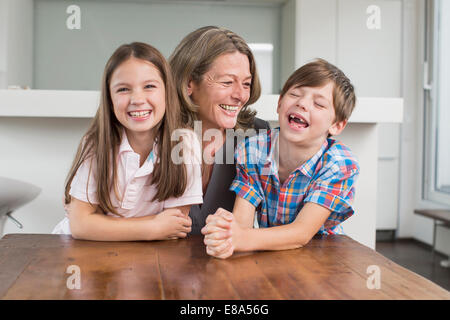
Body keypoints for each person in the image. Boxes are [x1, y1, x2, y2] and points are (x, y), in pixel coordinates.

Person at [202, 59, 360, 258]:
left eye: (318, 103)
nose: (301, 103)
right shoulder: (253, 149)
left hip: (321, 257)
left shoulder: (339, 165)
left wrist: (240, 238)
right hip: (269, 253)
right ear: (279, 104)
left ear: (336, 125)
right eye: (295, 94)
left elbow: (301, 233)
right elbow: (241, 223)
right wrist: (225, 233)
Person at [52, 42, 202, 241]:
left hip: (143, 256)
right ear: (110, 98)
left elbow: (174, 227)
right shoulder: (97, 143)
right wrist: (153, 227)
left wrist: (100, 223)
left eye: (149, 86)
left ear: (167, 91)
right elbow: (80, 225)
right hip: (79, 249)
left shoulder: (184, 143)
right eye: (123, 89)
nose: (137, 99)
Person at [169, 26, 270, 235]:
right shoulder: (157, 132)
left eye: (246, 83)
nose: (240, 95)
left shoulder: (257, 135)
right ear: (189, 83)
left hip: (229, 262)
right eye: (227, 82)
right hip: (159, 261)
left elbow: (278, 215)